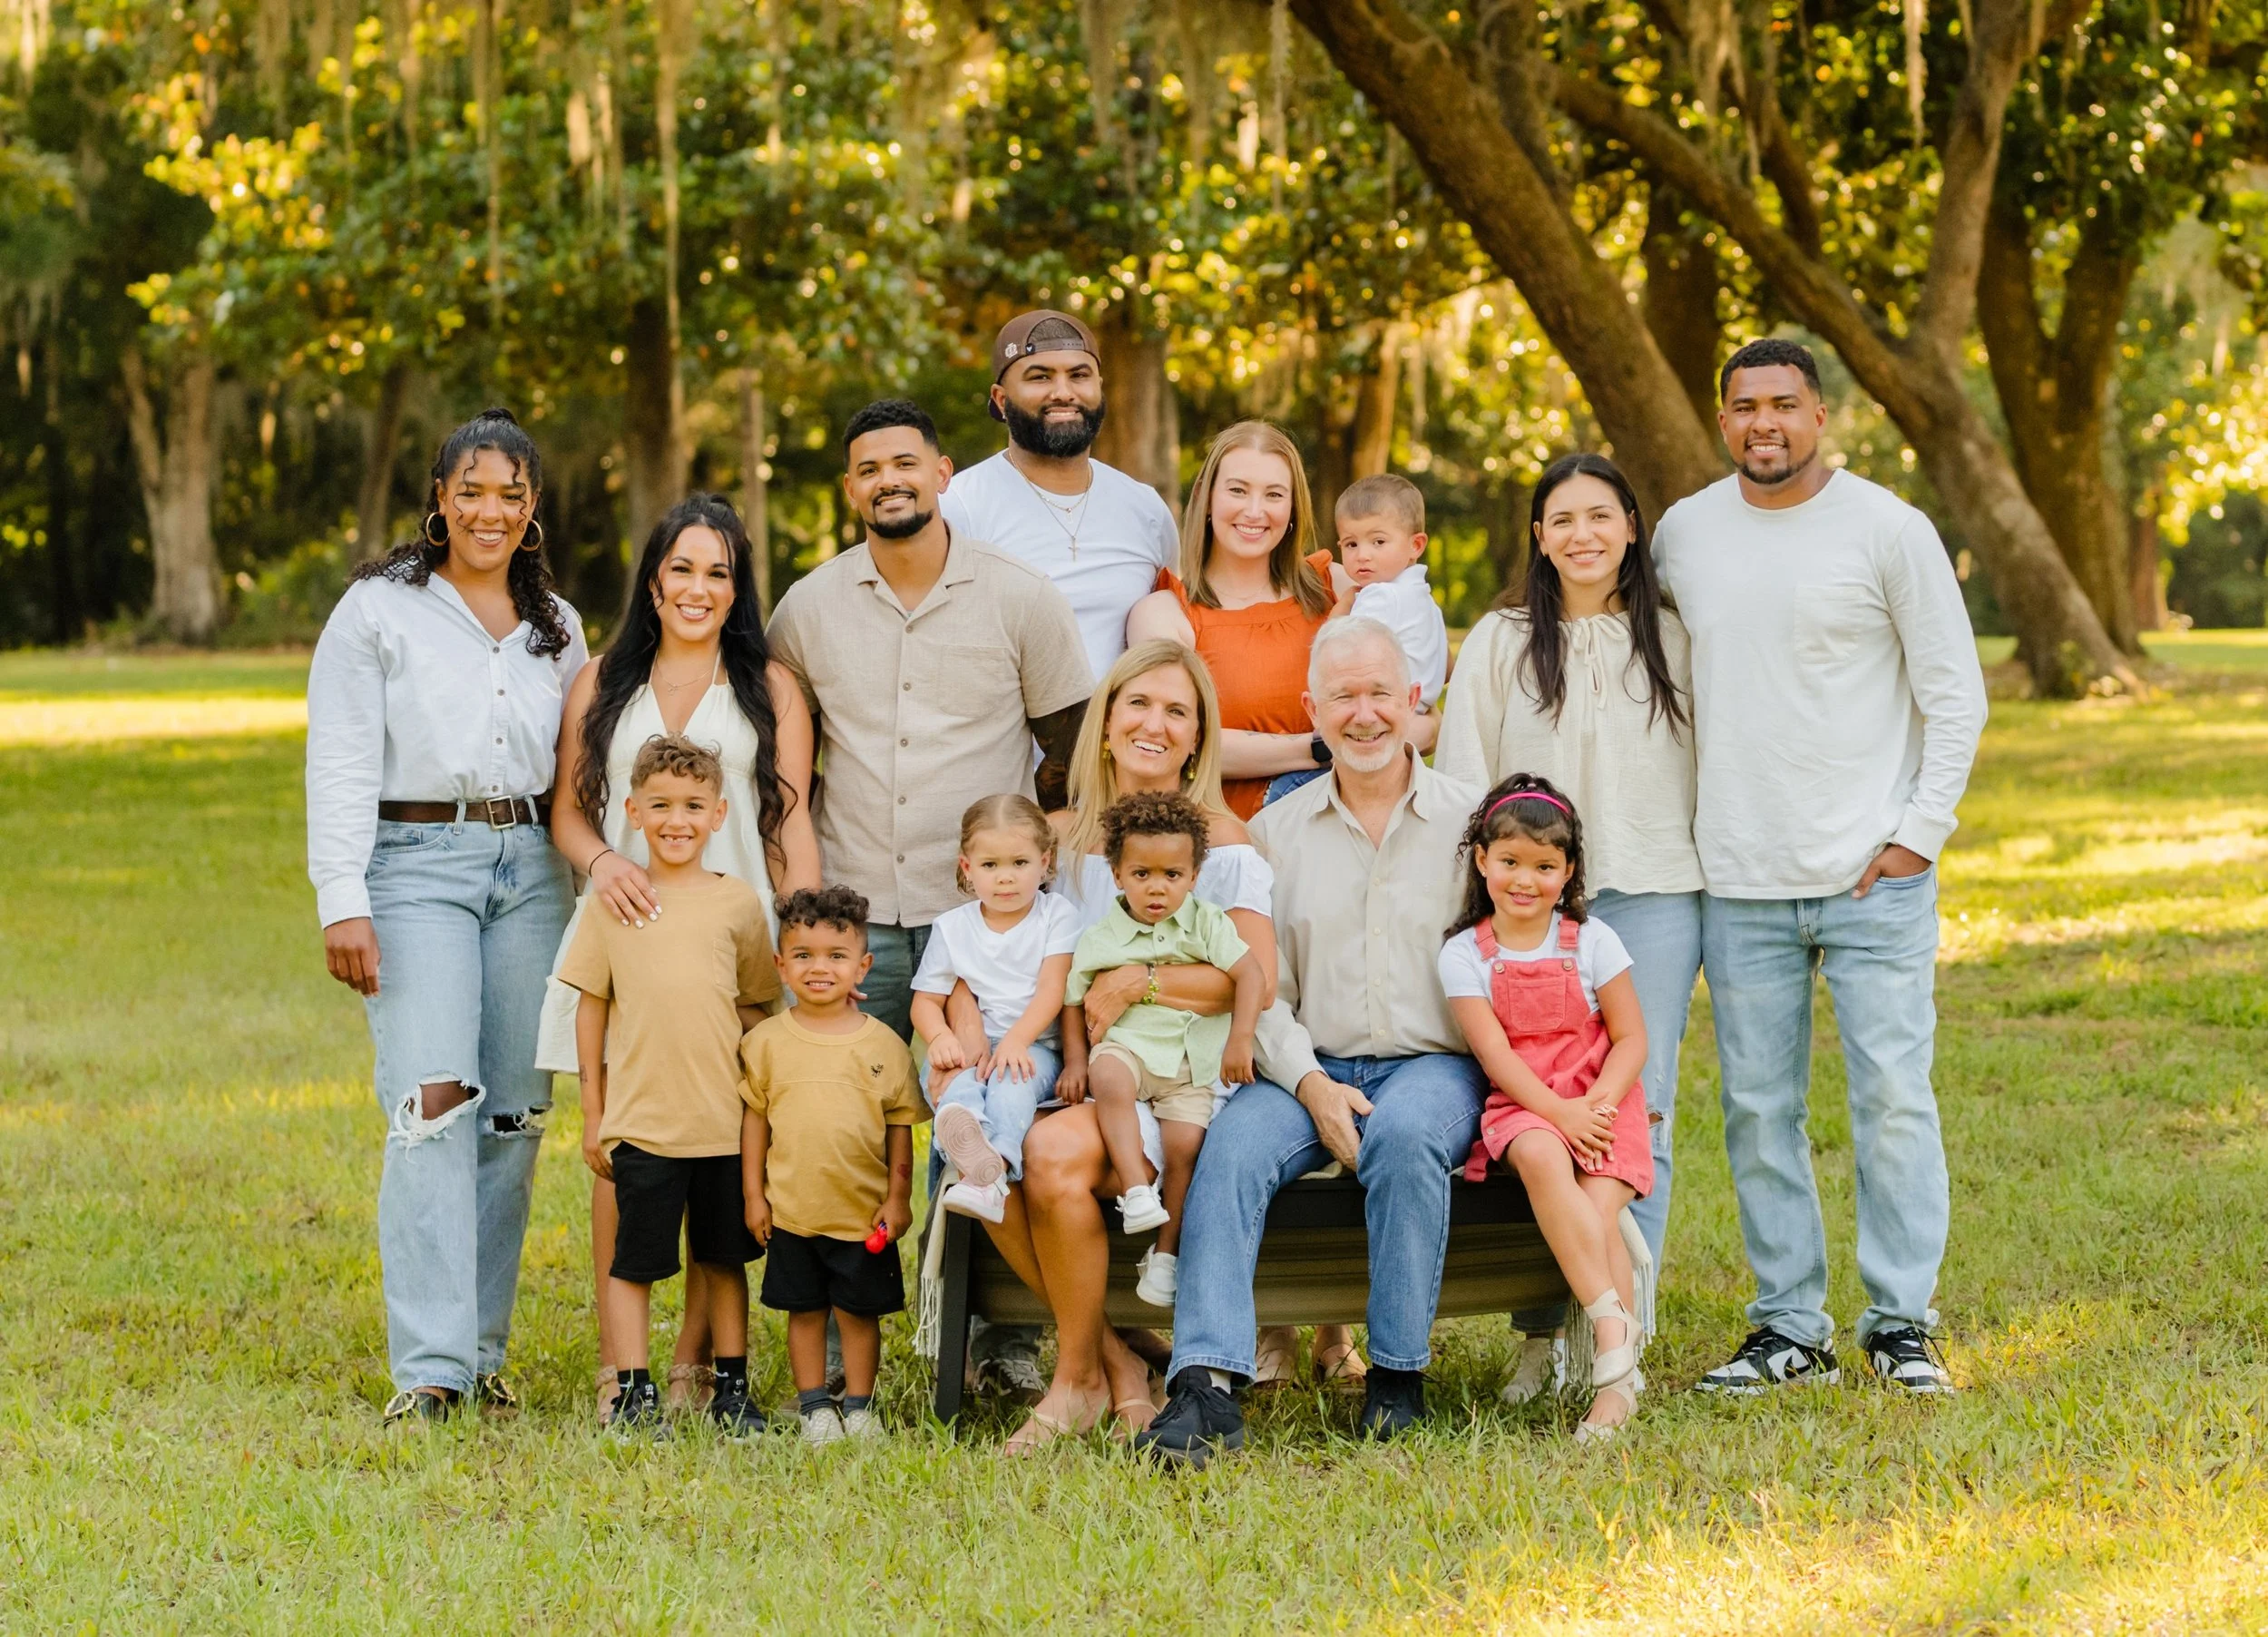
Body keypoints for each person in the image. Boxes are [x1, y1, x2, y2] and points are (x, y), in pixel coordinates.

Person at [1654, 338, 1986, 1396]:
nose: (1764, 424)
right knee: (1757, 1107)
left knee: (1891, 1097)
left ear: (1821, 415)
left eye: (1784, 405)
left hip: (1870, 876)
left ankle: (1900, 1324)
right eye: (1745, 405)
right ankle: (1788, 1327)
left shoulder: (1888, 528)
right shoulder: (1682, 533)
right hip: (1737, 875)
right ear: (1721, 419)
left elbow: (1955, 695)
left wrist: (1914, 836)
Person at [1138, 617, 1483, 1466]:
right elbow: (1263, 987)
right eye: (1341, 698)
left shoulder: (1471, 822)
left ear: (1413, 702)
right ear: (1312, 710)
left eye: (1379, 694)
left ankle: (1397, 1381)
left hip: (1434, 1064)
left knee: (1404, 1141)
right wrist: (1311, 1087)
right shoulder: (1274, 838)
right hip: (1301, 1061)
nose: (1363, 715)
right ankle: (1207, 1386)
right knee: (1234, 1143)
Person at [305, 407, 584, 1425]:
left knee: (512, 1114)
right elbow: (337, 757)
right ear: (437, 497)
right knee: (434, 1105)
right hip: (415, 864)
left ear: (533, 508)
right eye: (470, 490)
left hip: (532, 875)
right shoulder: (378, 610)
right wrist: (344, 897)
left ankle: (482, 1350)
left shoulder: (559, 627)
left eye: (510, 493)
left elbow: (581, 779)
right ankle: (430, 1369)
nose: (489, 510)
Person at [973, 641, 1301, 1452]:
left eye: (1177, 711)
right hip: (1075, 1061)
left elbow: (1257, 976)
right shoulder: (1054, 843)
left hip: (1184, 1072)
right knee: (981, 1152)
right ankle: (1115, 1364)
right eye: (1138, 705)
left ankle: (1076, 1378)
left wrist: (1141, 984)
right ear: (1107, 722)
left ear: (1197, 739)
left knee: (1048, 1154)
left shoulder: (1223, 843)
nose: (1155, 724)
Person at [538, 494, 820, 1425]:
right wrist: (605, 860)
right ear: (653, 581)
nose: (698, 588)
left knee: (723, 1149)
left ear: (737, 590)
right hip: (629, 933)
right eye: (682, 569)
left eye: (719, 573)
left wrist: (804, 941)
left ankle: (702, 1362)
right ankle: (623, 1371)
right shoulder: (602, 679)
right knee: (627, 1147)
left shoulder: (769, 687)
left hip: (735, 941)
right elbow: (570, 812)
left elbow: (791, 821)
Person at [1435, 451, 1701, 1403]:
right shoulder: (1502, 641)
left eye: (1601, 515)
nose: (1582, 534)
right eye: (1561, 519)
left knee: (1638, 1108)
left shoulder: (1674, 637)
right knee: (1532, 1116)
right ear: (1538, 537)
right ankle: (1536, 1330)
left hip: (1654, 895)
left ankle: (1622, 1328)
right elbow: (1465, 778)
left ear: (1632, 525)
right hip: (1526, 909)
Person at [765, 397, 1092, 1042]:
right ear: (851, 488)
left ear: (942, 473)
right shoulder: (805, 610)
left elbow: (1070, 757)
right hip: (854, 913)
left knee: (980, 1109)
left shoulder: (1023, 597)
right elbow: (785, 774)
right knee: (844, 1107)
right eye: (870, 469)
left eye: (905, 463)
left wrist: (1027, 885)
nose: (889, 479)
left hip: (987, 917)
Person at [561, 736, 777, 1438]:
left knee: (721, 1260)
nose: (676, 820)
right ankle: (632, 1390)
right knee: (636, 1263)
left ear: (719, 814)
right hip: (643, 1123)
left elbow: (754, 1006)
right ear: (633, 810)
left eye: (692, 806)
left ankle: (732, 1391)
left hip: (721, 1122)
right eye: (660, 806)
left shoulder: (738, 903)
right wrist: (594, 1111)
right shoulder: (616, 901)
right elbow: (590, 1005)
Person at [1440, 774, 1651, 1439]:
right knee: (1535, 1153)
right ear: (1481, 860)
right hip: (1527, 1104)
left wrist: (1595, 1106)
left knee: (1595, 1209)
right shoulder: (1464, 955)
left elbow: (1631, 1038)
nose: (1524, 880)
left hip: (1602, 1098)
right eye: (1509, 862)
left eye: (1544, 866)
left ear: (1568, 872)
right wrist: (1558, 1117)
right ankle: (1615, 1326)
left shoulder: (1592, 941)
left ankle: (1614, 1389)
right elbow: (1496, 1058)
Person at [1062, 792, 1266, 1307]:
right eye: (1142, 874)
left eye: (1172, 875)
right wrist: (1074, 1061)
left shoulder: (1207, 923)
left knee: (1184, 1149)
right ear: (1116, 874)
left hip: (1188, 1060)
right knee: (1109, 1076)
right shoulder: (1101, 935)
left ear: (1195, 874)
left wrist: (1239, 1039)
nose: (1157, 888)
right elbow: (1072, 999)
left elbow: (1250, 975)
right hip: (1128, 1046)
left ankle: (1165, 1255)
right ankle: (1135, 1190)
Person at [740, 887, 923, 1445]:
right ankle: (815, 1407)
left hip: (862, 1216)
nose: (819, 968)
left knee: (860, 1313)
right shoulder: (766, 1042)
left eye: (836, 956)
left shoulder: (885, 1044)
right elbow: (755, 1124)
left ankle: (862, 1408)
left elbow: (901, 1130)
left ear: (863, 965)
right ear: (781, 965)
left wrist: (898, 1199)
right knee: (805, 1311)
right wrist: (754, 1195)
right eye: (803, 955)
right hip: (793, 1211)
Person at [940, 309, 1182, 680]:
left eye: (1079, 375)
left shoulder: (1145, 509)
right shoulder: (958, 506)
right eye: (1040, 377)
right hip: (1002, 738)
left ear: (1099, 385)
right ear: (1001, 400)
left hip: (1121, 737)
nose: (1063, 393)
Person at [1124, 421, 1337, 818]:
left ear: (1292, 508)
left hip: (1342, 831)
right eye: (1237, 490)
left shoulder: (1336, 589)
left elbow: (1421, 704)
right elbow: (1173, 740)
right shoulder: (1165, 615)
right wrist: (1320, 747)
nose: (1254, 511)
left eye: (1274, 494)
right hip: (1230, 840)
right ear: (1207, 498)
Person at [913, 795, 1081, 1224]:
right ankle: (966, 1132)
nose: (1005, 879)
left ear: (1045, 862)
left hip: (1035, 1044)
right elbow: (927, 1002)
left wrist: (1015, 1041)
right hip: (977, 1044)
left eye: (1019, 864)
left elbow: (1052, 989)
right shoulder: (953, 927)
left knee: (1011, 1080)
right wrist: (941, 1037)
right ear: (967, 868)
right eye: (990, 866)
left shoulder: (1055, 915)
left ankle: (994, 1172)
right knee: (955, 1082)